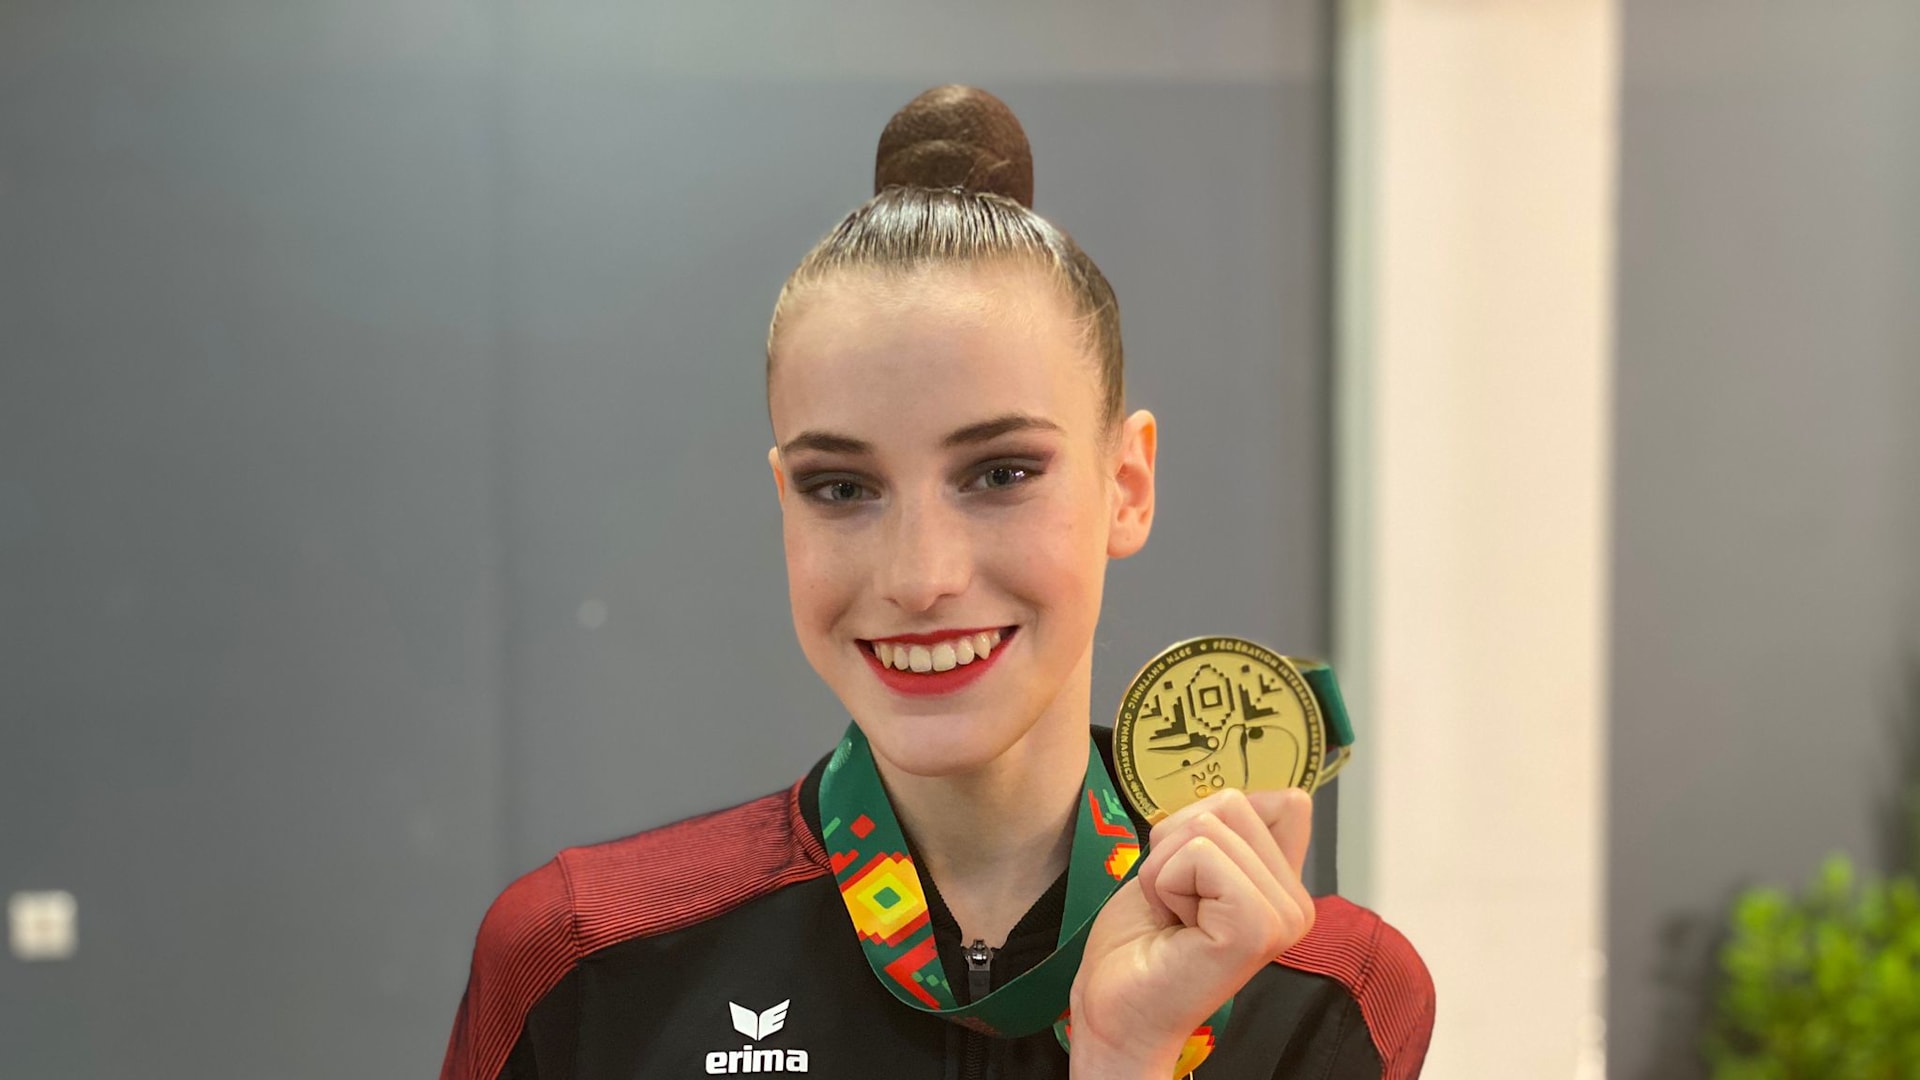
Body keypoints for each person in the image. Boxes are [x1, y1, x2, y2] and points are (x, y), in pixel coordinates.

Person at [439, 85, 1433, 1080]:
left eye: (1001, 474)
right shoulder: (586, 962)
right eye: (843, 487)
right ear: (786, 502)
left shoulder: (1322, 994)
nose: (922, 577)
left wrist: (1130, 1056)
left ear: (1127, 486)